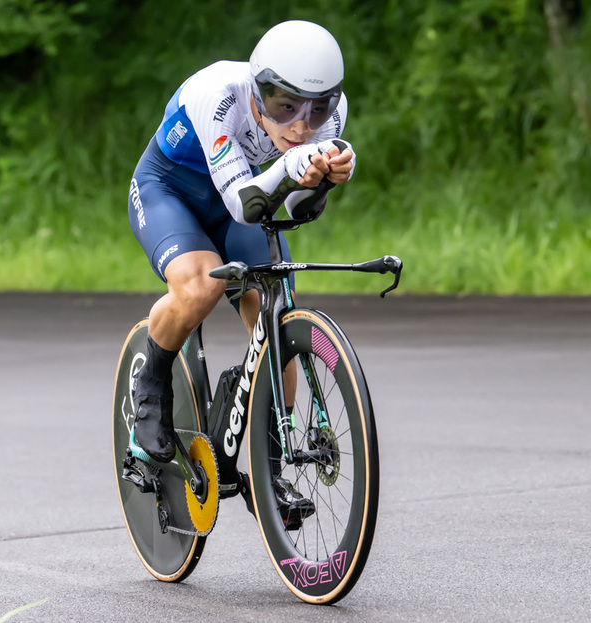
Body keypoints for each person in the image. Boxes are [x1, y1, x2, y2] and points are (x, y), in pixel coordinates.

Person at [127, 20, 356, 526]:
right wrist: (299, 165)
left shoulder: (331, 117)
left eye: (317, 108)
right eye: (284, 105)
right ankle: (151, 383)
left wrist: (322, 181)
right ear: (258, 92)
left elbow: (291, 207)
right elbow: (245, 203)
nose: (302, 123)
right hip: (174, 190)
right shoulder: (220, 99)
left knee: (277, 307)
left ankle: (268, 459)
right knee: (199, 282)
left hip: (246, 197)